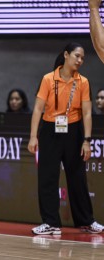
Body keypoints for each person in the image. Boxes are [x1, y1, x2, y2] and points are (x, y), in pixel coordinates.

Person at [28, 42, 103, 235]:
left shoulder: (83, 82)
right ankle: (51, 222)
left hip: (74, 131)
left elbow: (87, 114)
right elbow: (37, 109)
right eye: (77, 56)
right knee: (47, 178)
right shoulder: (48, 79)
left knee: (77, 178)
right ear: (66, 55)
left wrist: (86, 140)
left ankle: (87, 221)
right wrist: (33, 137)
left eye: (83, 58)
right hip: (50, 131)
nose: (80, 60)